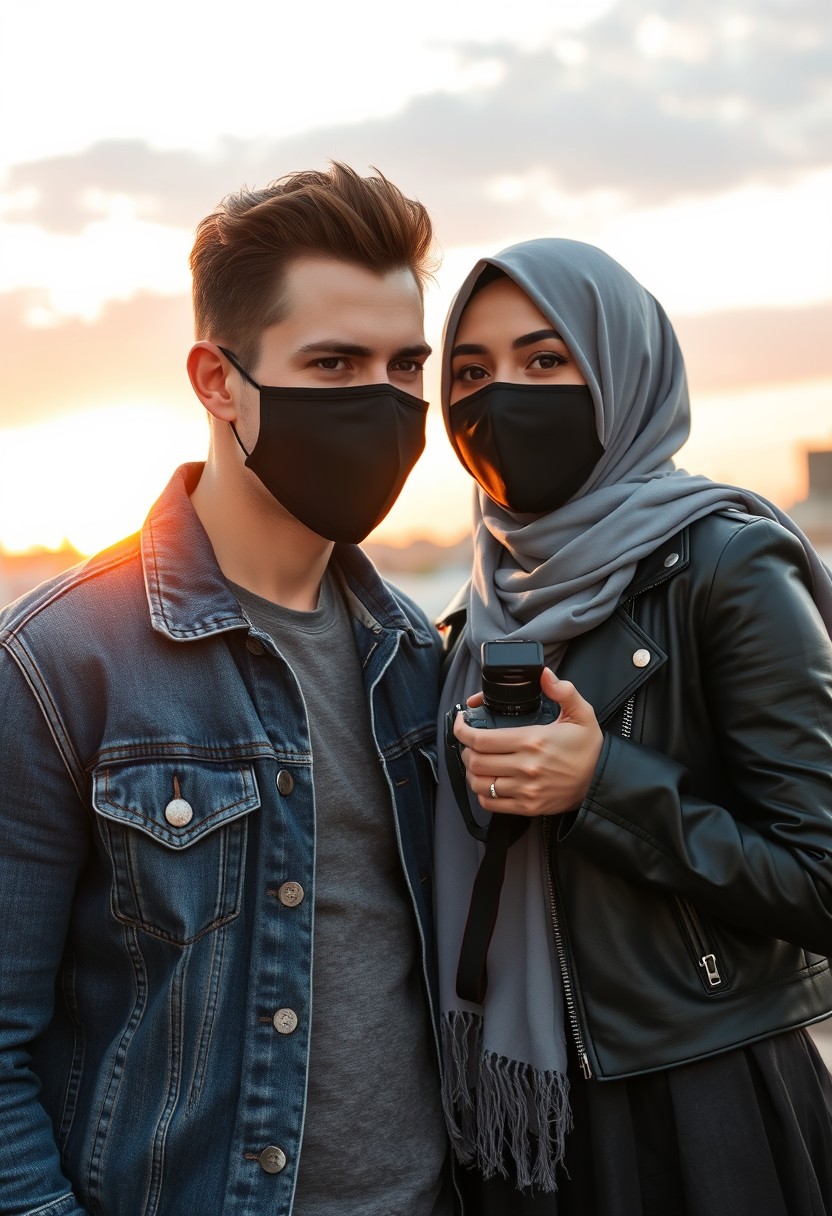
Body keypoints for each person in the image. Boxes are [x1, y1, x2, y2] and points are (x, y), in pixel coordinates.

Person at [0, 164, 455, 1216]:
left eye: (403, 365)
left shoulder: (418, 659)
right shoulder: (59, 663)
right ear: (217, 380)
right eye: (332, 362)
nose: (381, 400)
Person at [434, 238, 832, 1215]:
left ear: (622, 370)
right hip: (511, 1126)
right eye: (469, 372)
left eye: (543, 360)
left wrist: (603, 783)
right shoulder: (469, 615)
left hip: (695, 1102)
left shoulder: (724, 565)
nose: (502, 397)